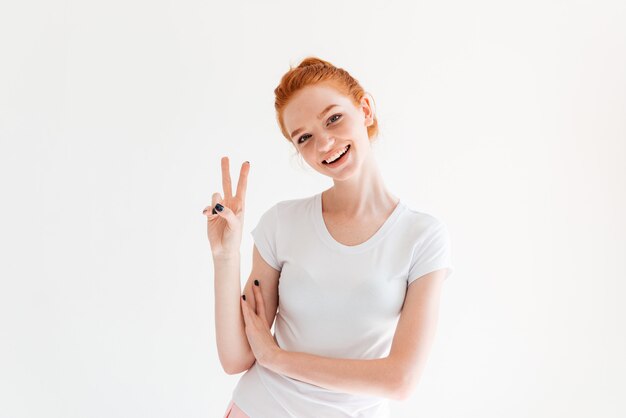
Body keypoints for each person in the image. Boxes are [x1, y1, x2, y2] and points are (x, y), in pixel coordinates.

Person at [203, 57, 454, 418]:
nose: (324, 144)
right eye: (304, 137)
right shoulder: (281, 223)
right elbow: (236, 357)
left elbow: (401, 380)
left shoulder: (423, 237)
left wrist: (278, 359)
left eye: (333, 118)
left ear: (365, 109)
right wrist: (225, 257)